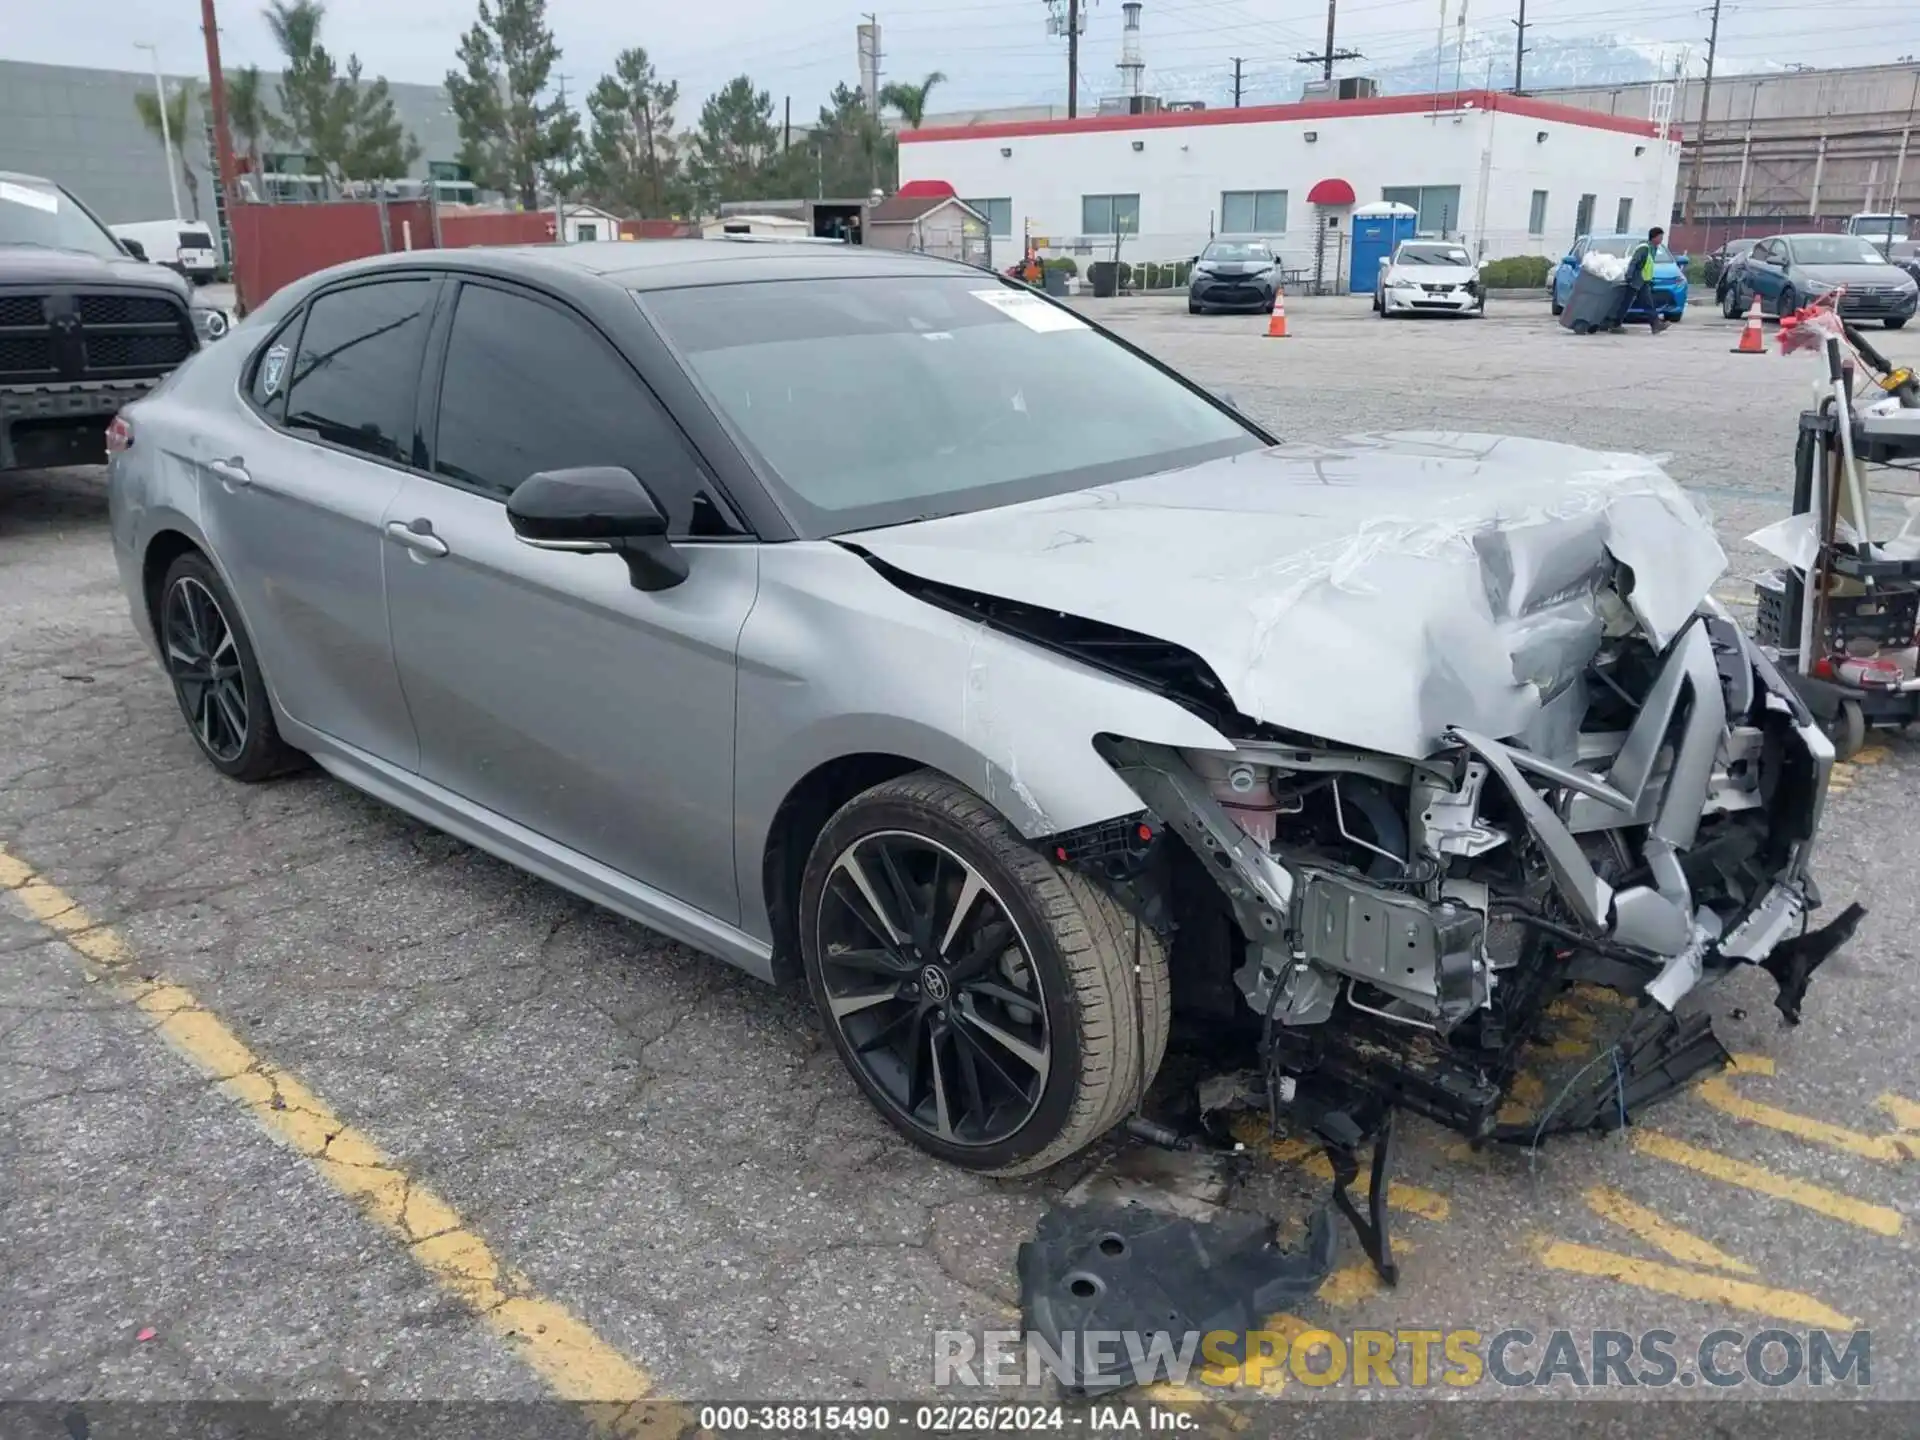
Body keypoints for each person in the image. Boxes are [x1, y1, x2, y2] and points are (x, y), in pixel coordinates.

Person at [1612, 226, 1668, 333]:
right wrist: (1629, 275)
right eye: (1660, 237)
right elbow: (1634, 261)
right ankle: (1615, 324)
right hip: (1635, 280)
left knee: (1648, 303)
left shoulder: (1653, 248)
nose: (1661, 240)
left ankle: (1655, 325)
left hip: (1643, 281)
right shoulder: (1644, 248)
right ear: (1654, 237)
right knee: (1626, 303)